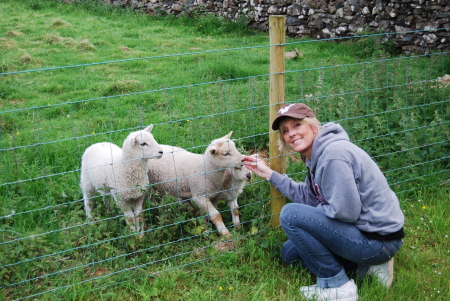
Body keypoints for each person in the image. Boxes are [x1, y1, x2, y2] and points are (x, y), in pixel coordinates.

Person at [243, 103, 405, 301]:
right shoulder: (317, 156)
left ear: (313, 126)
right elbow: (309, 196)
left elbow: (346, 212)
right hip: (366, 233)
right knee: (290, 254)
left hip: (378, 240)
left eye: (296, 125)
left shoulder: (333, 155)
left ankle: (338, 286)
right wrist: (268, 173)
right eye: (285, 131)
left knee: (291, 215)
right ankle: (365, 266)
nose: (291, 133)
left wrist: (313, 217)